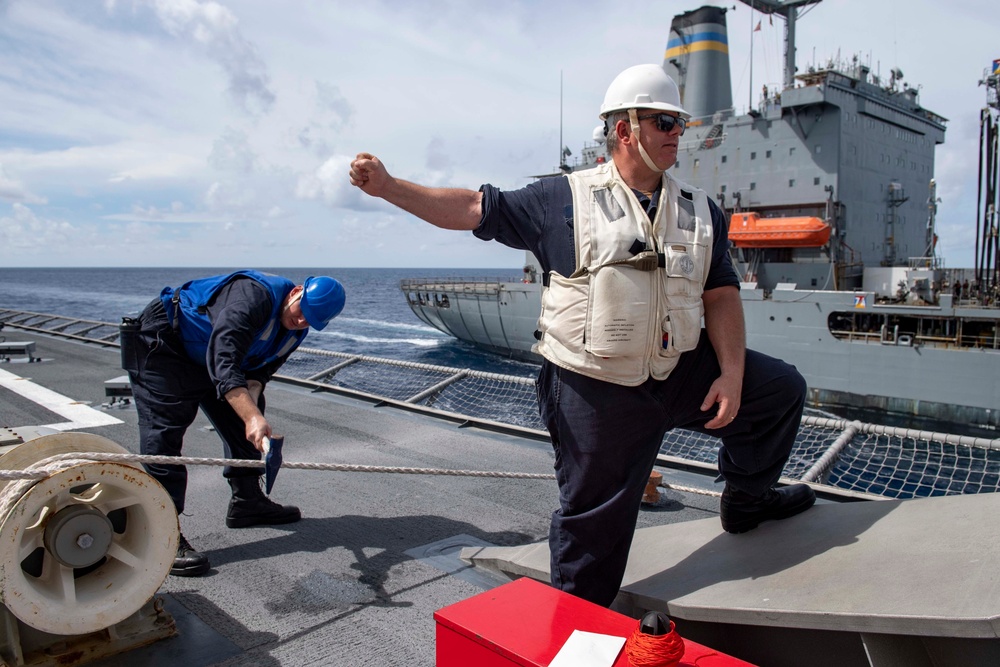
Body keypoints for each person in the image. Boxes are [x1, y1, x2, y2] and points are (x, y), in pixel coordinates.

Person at [348, 64, 815, 607]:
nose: (675, 134)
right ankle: (577, 627)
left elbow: (720, 294)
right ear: (624, 130)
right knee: (594, 532)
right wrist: (389, 187)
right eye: (663, 121)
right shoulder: (561, 199)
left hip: (678, 368)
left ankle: (747, 500)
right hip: (596, 385)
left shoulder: (700, 210)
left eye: (678, 124)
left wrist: (731, 373)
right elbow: (473, 207)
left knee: (777, 392)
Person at [120, 270, 346, 577]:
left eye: (313, 321)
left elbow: (258, 373)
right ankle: (162, 533)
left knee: (248, 421)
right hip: (165, 344)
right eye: (302, 312)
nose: (303, 321)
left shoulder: (296, 330)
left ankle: (247, 501)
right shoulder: (252, 297)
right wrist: (251, 416)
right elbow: (224, 358)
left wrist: (252, 411)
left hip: (209, 356)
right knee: (165, 433)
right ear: (295, 293)